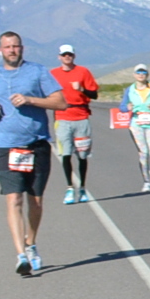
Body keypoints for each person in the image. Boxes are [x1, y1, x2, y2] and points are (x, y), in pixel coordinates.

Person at [0, 30, 64, 277]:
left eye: (16, 46)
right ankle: (21, 255)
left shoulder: (37, 72)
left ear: (22, 48)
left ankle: (30, 243)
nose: (12, 50)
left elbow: (60, 102)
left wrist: (30, 100)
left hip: (36, 144)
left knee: (35, 201)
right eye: (7, 47)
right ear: (0, 50)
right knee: (14, 198)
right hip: (6, 146)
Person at [49, 43, 101, 204]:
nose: (67, 57)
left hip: (81, 117)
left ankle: (83, 188)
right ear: (59, 57)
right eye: (64, 55)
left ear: (74, 56)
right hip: (62, 117)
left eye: (69, 54)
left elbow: (94, 94)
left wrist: (81, 90)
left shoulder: (83, 72)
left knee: (82, 155)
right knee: (65, 154)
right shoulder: (53, 74)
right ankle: (70, 188)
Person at [120, 65, 150, 191]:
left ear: (147, 74)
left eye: (143, 72)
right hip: (136, 125)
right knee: (143, 153)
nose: (141, 74)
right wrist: (127, 108)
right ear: (134, 75)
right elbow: (122, 107)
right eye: (138, 72)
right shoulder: (130, 90)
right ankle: (146, 181)